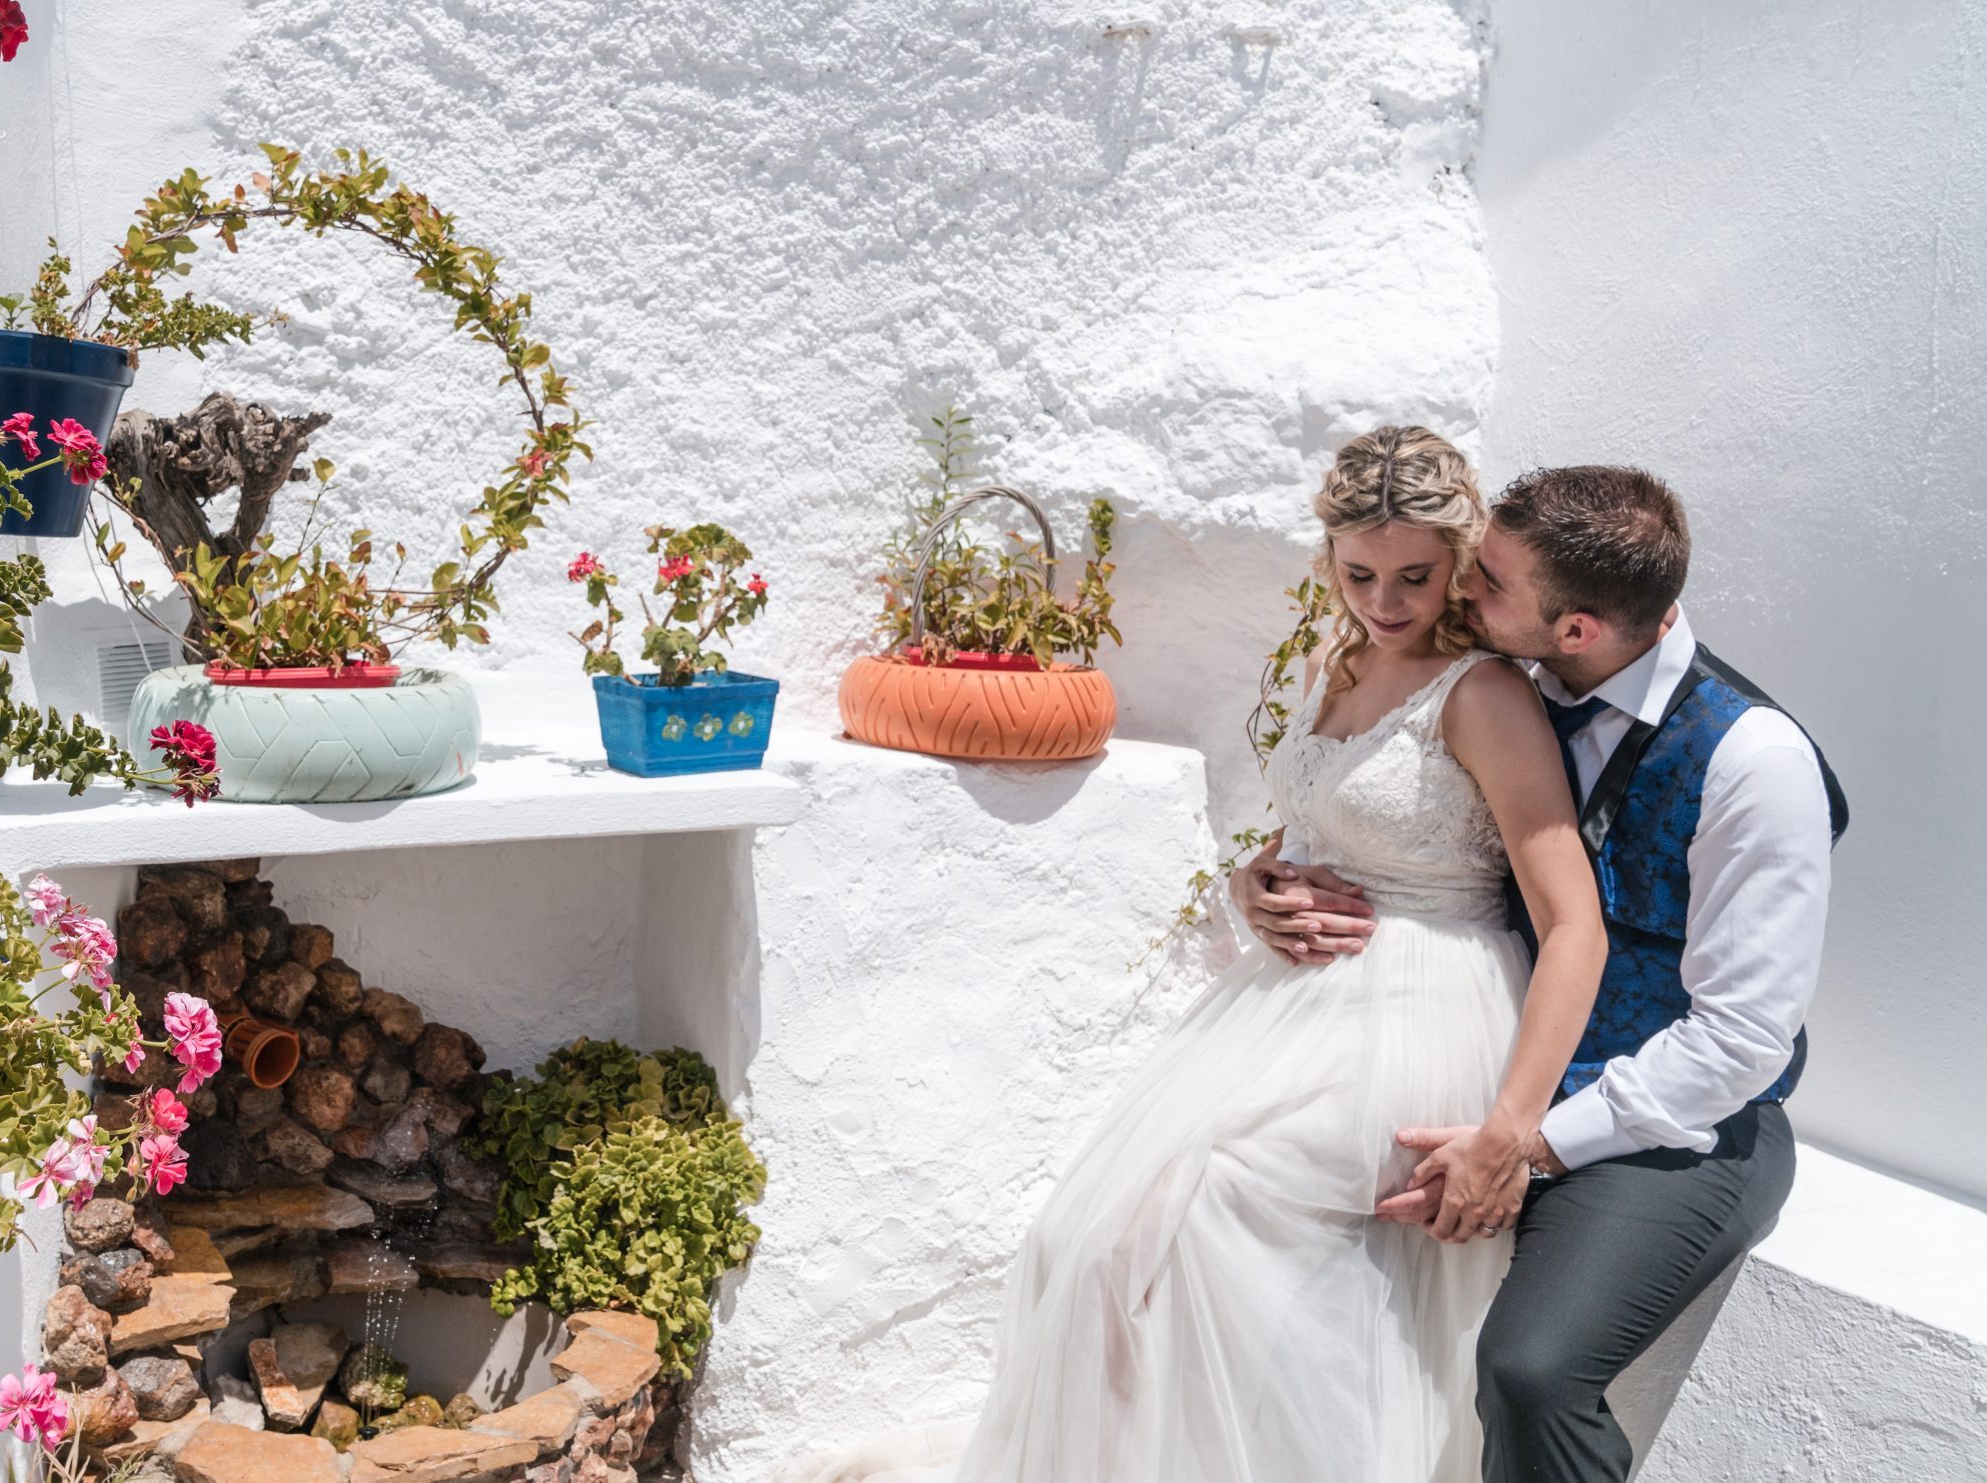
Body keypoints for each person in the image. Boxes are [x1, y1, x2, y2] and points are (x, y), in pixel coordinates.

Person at [783, 426, 1608, 1483]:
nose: (1385, 601)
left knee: (1212, 1222)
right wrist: (1254, 884)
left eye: (1414, 574)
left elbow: (1572, 920)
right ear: (1327, 559)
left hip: (1424, 1005)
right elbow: (1305, 828)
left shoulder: (1482, 695)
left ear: (1456, 559)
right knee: (1091, 1237)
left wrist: (1512, 1129)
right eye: (1358, 573)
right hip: (1295, 1003)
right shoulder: (1334, 659)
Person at [1245, 464, 1844, 1483]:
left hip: (1673, 1126)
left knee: (1530, 1368)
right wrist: (1270, 886)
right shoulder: (1502, 681)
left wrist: (1530, 1144)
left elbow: (1741, 1043)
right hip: (1487, 1057)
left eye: (1485, 583)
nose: (1458, 592)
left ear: (1573, 631)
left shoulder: (1753, 761)